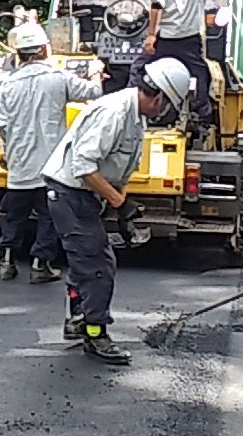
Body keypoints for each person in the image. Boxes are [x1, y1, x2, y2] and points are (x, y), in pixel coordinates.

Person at [42, 57, 191, 365]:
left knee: (85, 260)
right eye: (166, 105)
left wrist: (120, 207)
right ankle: (96, 334)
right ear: (159, 95)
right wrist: (120, 203)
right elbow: (84, 167)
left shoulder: (136, 117)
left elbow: (119, 169)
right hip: (70, 194)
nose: (165, 111)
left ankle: (78, 319)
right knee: (99, 266)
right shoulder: (113, 112)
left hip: (84, 196)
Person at [0, 20, 105, 283]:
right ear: (44, 50)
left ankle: (7, 260)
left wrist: (8, 151)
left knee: (14, 215)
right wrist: (97, 71)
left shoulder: (8, 84)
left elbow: (2, 124)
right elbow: (94, 92)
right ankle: (40, 265)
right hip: (50, 166)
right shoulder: (58, 78)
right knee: (48, 216)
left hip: (19, 164)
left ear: (18, 54)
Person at [128, 0, 212, 133]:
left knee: (139, 68)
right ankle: (201, 116)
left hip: (167, 37)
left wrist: (151, 35)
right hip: (191, 35)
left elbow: (158, 3)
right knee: (200, 73)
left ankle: (131, 111)